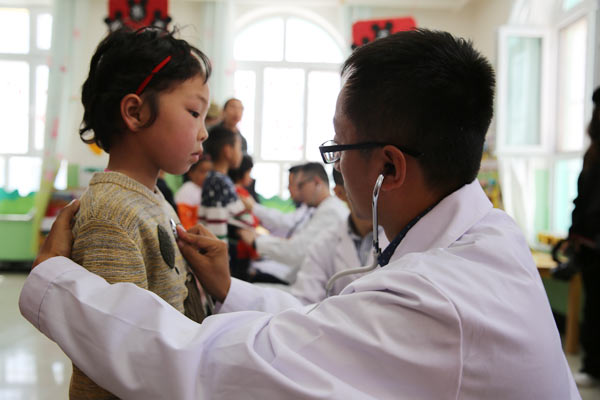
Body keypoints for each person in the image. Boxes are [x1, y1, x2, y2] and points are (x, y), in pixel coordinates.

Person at [19, 29, 579, 399]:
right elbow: (325, 323)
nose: (333, 167)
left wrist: (55, 280)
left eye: (338, 147)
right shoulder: (488, 236)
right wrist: (229, 290)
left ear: (389, 166)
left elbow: (216, 367)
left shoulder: (439, 299)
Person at [66, 27, 212, 399]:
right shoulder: (110, 215)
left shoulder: (152, 196)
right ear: (135, 112)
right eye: (194, 112)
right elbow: (119, 350)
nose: (204, 133)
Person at [289, 169, 389, 302]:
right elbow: (304, 300)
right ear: (340, 193)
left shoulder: (404, 239)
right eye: (365, 183)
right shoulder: (324, 243)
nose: (378, 191)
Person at [238, 162, 349, 274]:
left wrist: (256, 241)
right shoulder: (321, 208)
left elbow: (296, 251)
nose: (298, 191)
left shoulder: (330, 211)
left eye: (300, 185)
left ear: (316, 182)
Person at [568, 88, 600, 387]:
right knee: (594, 309)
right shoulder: (592, 155)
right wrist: (574, 235)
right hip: (591, 249)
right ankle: (593, 367)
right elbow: (582, 200)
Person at [243, 164, 315, 238]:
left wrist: (254, 207)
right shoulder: (304, 210)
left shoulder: (310, 212)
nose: (288, 188)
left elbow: (284, 222)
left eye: (291, 184)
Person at [175, 155, 213, 230]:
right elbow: (184, 219)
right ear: (191, 173)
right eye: (202, 171)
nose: (207, 175)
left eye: (210, 172)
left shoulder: (209, 190)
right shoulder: (187, 189)